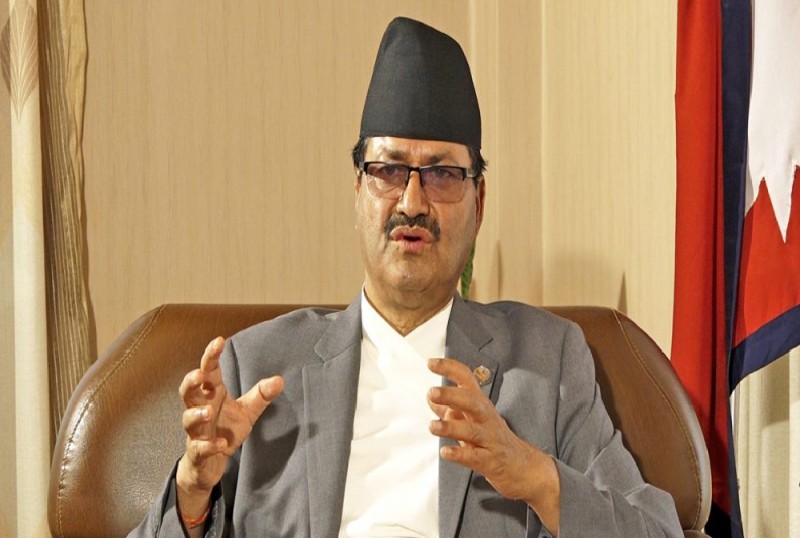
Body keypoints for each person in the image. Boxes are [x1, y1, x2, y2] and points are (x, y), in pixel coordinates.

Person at [131, 17, 683, 538]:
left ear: (479, 203)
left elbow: (657, 529)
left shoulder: (547, 361)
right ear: (358, 191)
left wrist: (534, 475)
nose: (412, 202)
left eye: (442, 174)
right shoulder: (258, 366)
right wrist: (192, 493)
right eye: (389, 170)